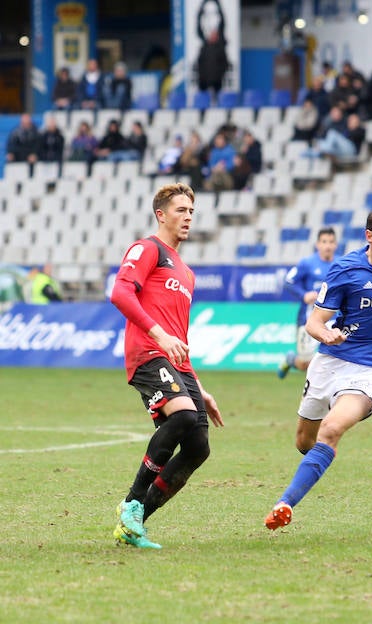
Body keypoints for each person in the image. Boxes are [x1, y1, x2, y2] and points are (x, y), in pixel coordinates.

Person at [264, 204, 372, 531]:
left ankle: (284, 504)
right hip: (331, 361)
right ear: (369, 236)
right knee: (305, 443)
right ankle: (319, 459)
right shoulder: (345, 270)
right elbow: (314, 322)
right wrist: (328, 334)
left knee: (331, 430)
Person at [109, 182, 224, 549]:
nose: (188, 217)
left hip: (176, 361)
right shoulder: (147, 249)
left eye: (191, 211)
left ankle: (135, 521)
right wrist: (158, 335)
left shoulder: (186, 273)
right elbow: (120, 293)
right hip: (147, 352)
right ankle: (131, 503)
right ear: (161, 214)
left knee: (198, 446)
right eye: (180, 210)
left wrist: (198, 388)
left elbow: (179, 335)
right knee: (182, 418)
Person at [277, 227, 338, 380]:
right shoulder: (307, 263)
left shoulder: (340, 264)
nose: (328, 246)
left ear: (335, 245)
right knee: (306, 364)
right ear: (318, 244)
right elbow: (288, 282)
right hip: (308, 319)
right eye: (324, 242)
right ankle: (291, 360)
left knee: (333, 360)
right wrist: (303, 294)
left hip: (333, 318)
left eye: (331, 242)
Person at [195, 0, 230, 103]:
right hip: (204, 79)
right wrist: (201, 9)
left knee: (218, 102)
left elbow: (223, 22)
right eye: (212, 33)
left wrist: (218, 5)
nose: (213, 34)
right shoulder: (205, 45)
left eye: (215, 33)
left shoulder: (221, 45)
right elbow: (199, 27)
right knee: (202, 102)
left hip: (217, 80)